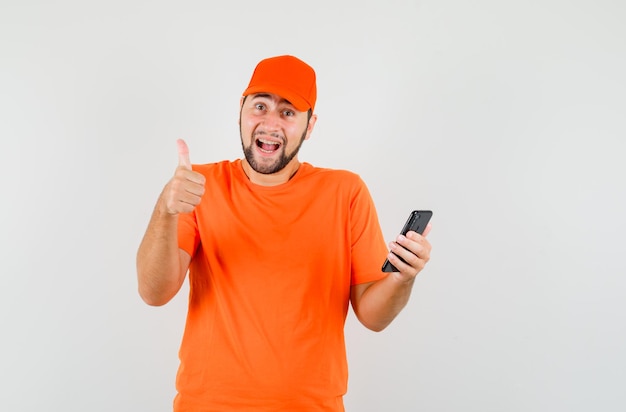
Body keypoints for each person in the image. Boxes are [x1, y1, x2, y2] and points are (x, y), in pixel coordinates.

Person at [136, 55, 432, 411]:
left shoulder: (345, 192)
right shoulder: (198, 186)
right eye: (260, 106)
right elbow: (154, 293)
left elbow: (372, 316)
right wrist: (166, 210)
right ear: (241, 111)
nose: (270, 122)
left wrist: (402, 278)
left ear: (309, 126)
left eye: (288, 112)